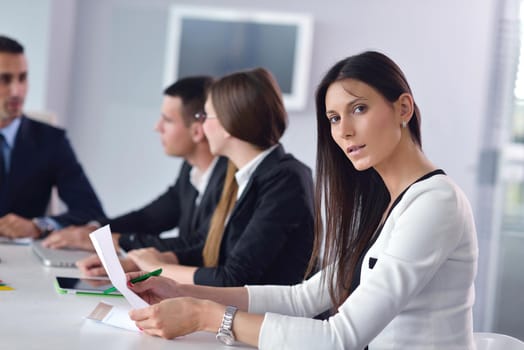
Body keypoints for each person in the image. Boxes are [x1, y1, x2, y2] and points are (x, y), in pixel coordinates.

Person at [124, 51, 479, 349]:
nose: (343, 131)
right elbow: (304, 298)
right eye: (334, 118)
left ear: (403, 108)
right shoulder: (386, 204)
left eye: (358, 109)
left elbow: (340, 336)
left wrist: (204, 315)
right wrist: (182, 291)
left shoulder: (436, 203)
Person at [81, 67, 315, 287]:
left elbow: (233, 277)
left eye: (207, 117)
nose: (201, 127)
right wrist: (139, 262)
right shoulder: (246, 173)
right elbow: (206, 245)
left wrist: (156, 267)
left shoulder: (285, 179)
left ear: (228, 125)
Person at [43, 76, 228, 268]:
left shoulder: (229, 180)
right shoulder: (191, 169)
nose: (157, 127)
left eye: (167, 120)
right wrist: (94, 231)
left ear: (198, 131)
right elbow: (149, 218)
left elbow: (198, 245)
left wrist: (110, 242)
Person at [0, 35, 105, 239]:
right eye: (4, 79)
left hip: (24, 259)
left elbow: (91, 211)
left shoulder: (51, 140)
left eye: (22, 78)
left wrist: (40, 225)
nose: (17, 91)